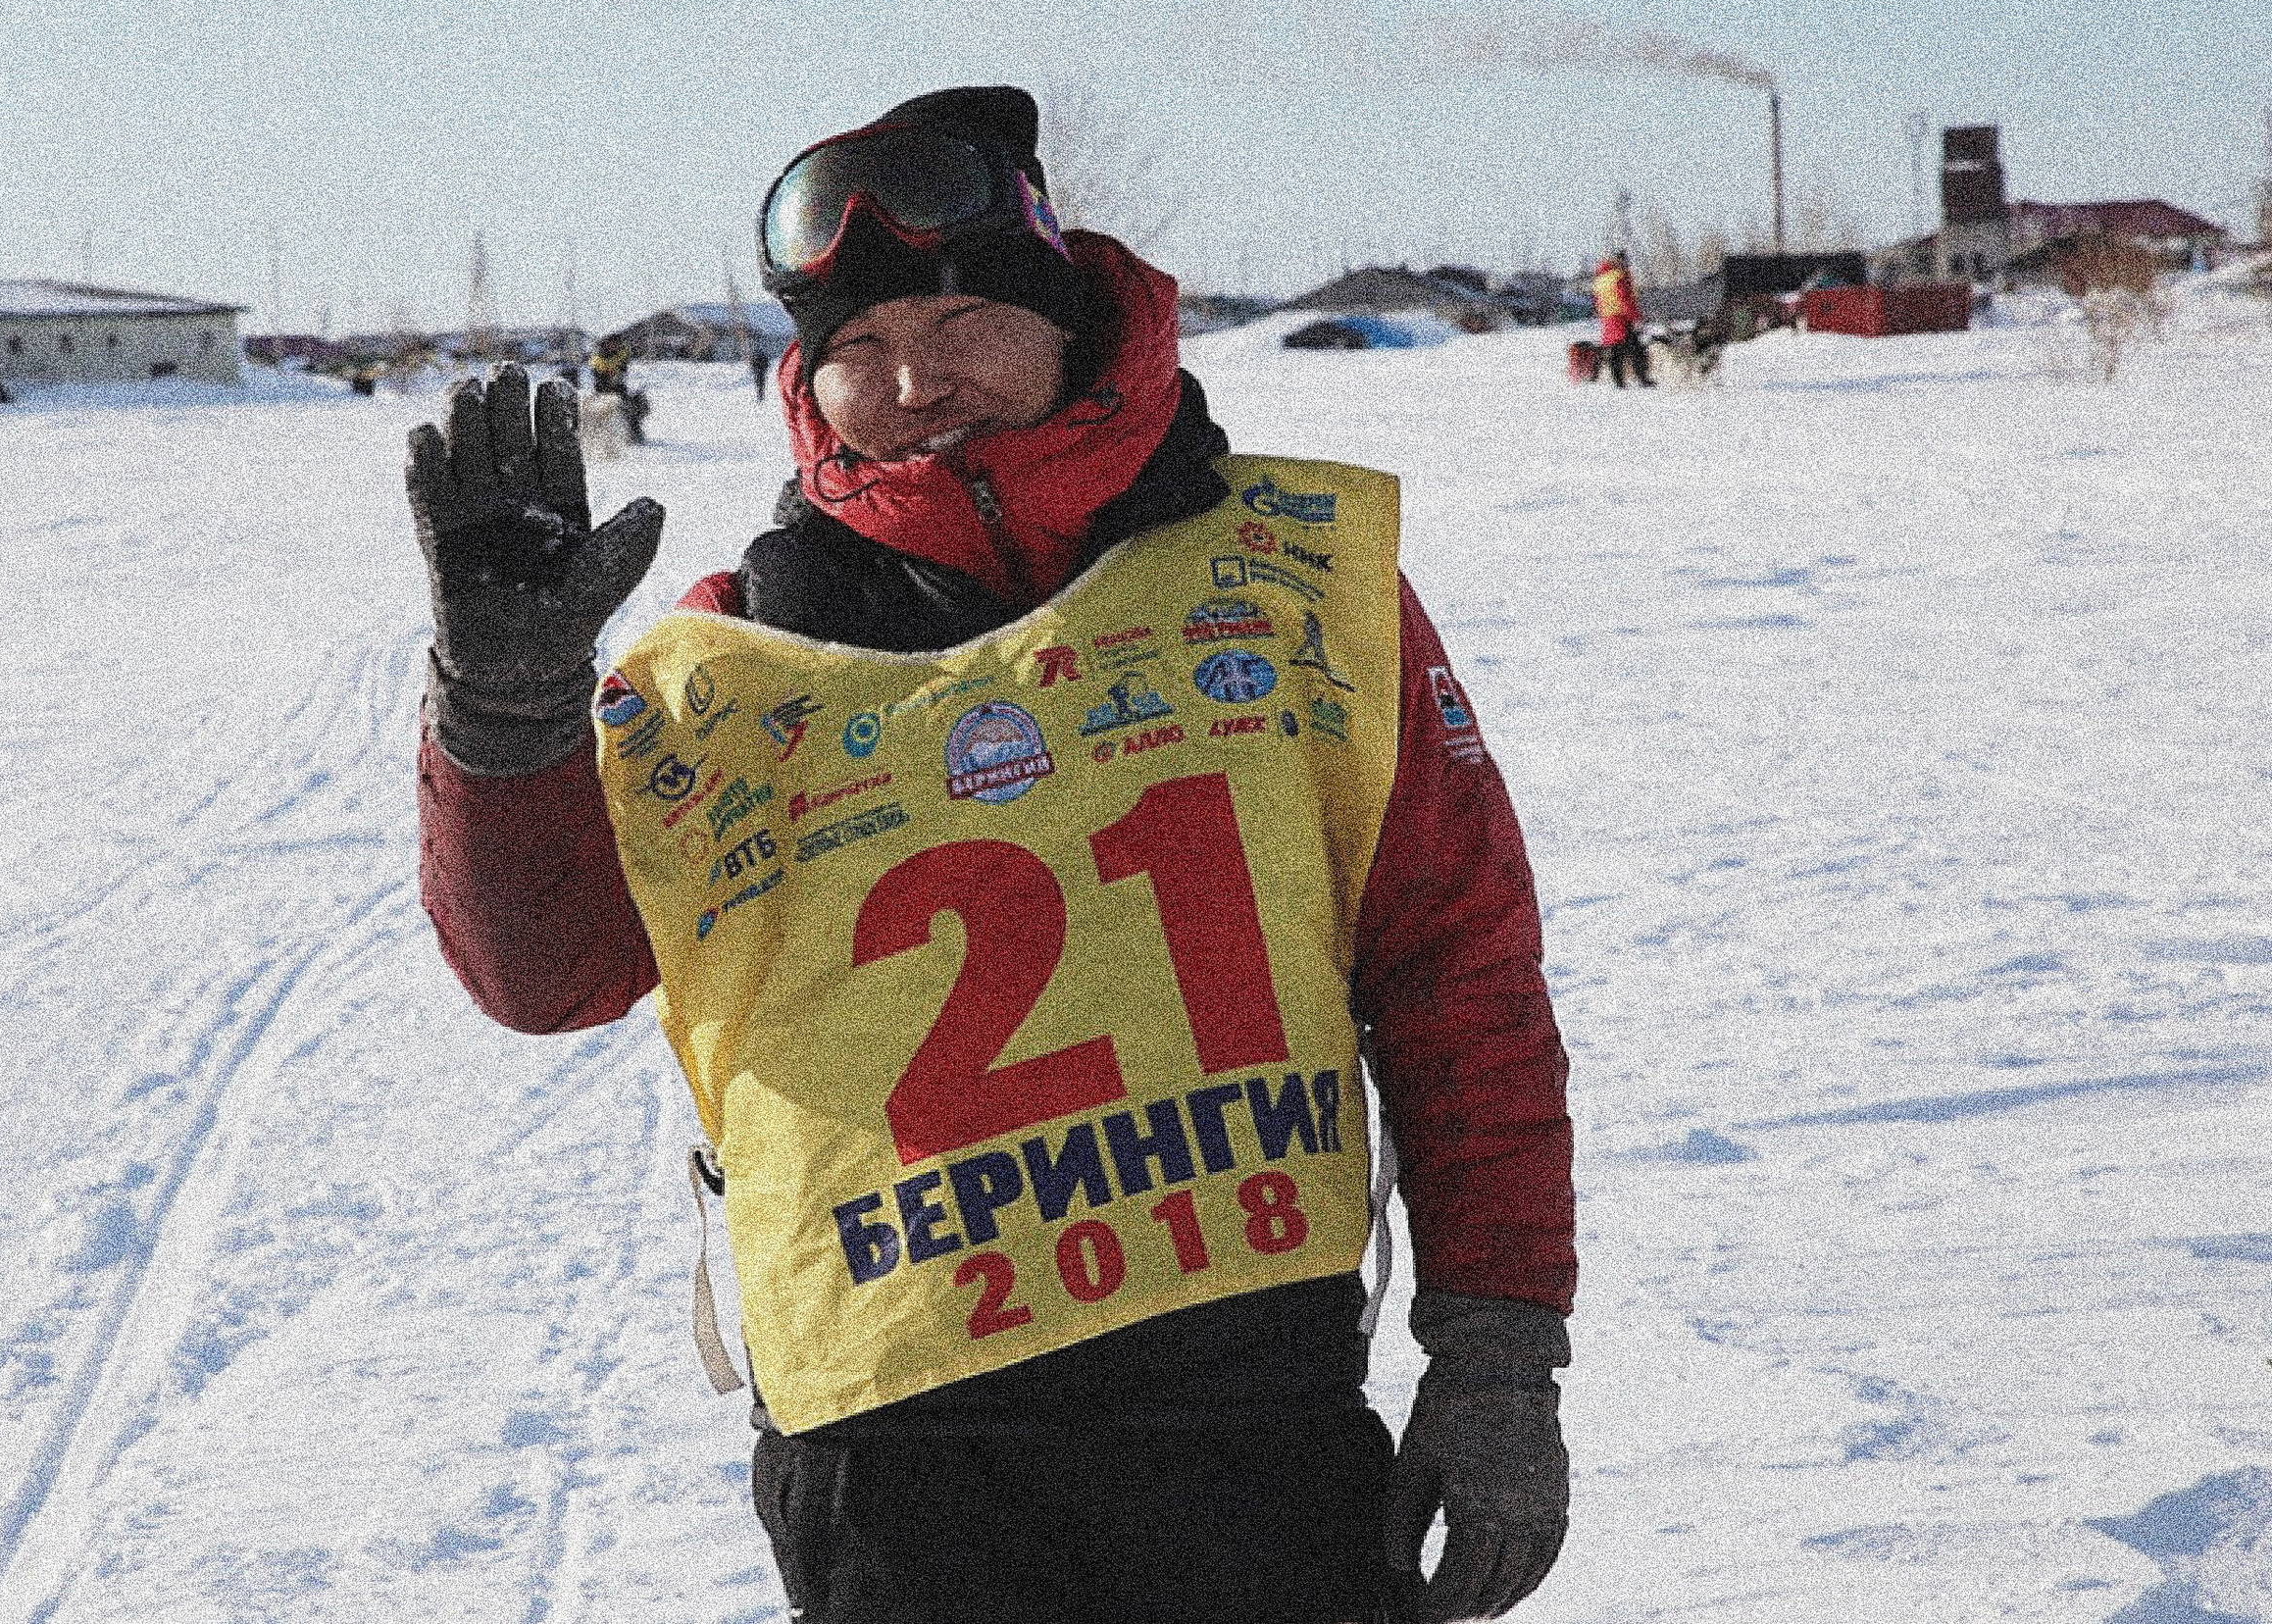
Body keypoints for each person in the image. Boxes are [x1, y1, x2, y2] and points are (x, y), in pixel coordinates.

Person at [407, 86, 1574, 1624]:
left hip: (1248, 1420)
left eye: (960, 318)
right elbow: (543, 974)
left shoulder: (1287, 583)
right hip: (902, 1464)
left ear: (1065, 316)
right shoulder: (738, 662)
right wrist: (505, 715)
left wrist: (1496, 1352)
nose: (912, 378)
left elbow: (1456, 970)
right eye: (858, 346)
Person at [1590, 252, 1651, 388]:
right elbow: (1626, 300)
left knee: (1615, 351)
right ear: (1619, 262)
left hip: (1607, 319)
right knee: (1637, 349)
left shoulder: (1599, 280)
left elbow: (1596, 303)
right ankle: (1642, 378)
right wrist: (1637, 317)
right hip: (1621, 319)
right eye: (1625, 262)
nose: (1627, 264)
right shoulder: (1618, 277)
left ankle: (1618, 381)